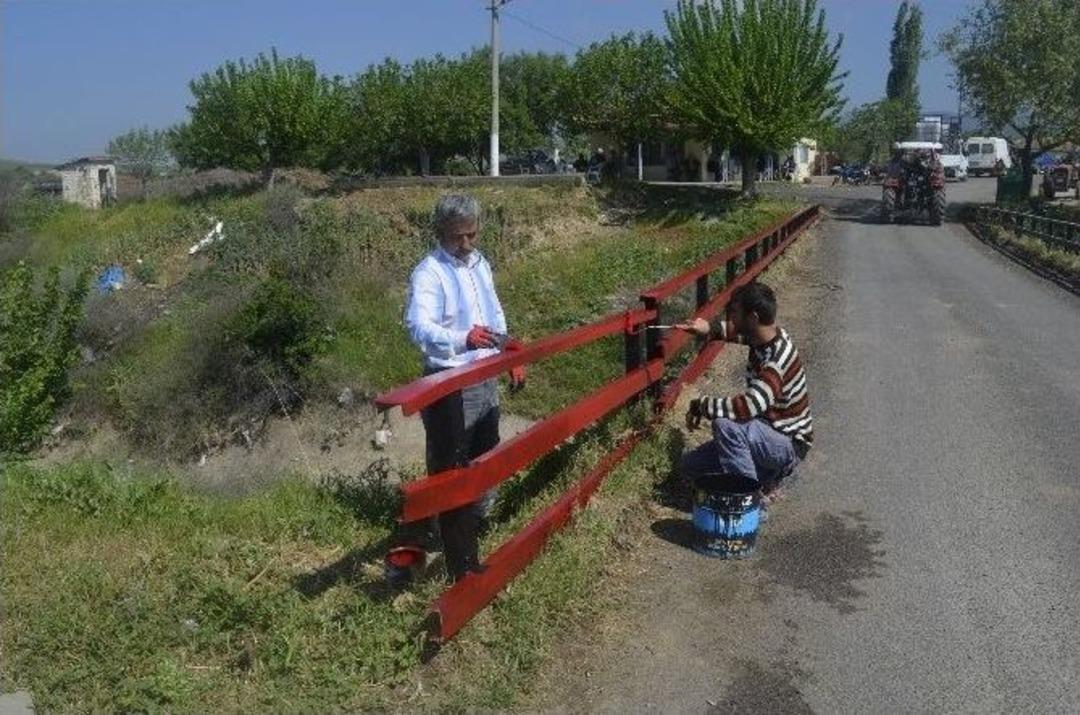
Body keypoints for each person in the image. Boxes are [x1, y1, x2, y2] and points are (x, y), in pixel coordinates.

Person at [401, 193, 525, 581]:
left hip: (484, 372)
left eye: (472, 234)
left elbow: (494, 311)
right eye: (458, 237)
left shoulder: (479, 263)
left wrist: (510, 353)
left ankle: (477, 524)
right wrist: (461, 339)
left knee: (485, 450)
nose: (466, 244)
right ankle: (447, 537)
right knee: (449, 460)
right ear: (441, 232)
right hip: (450, 379)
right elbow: (418, 328)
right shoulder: (429, 273)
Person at [675, 281, 812, 503]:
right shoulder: (764, 336)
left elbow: (749, 406)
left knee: (726, 428)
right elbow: (736, 332)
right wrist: (708, 328)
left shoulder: (776, 359)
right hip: (764, 434)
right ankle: (766, 479)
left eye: (736, 313)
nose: (731, 318)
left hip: (788, 443)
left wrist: (702, 405)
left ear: (753, 317)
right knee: (691, 466)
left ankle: (752, 505)